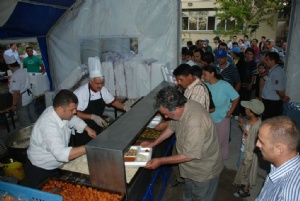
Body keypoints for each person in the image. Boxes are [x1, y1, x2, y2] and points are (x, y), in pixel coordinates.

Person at [142, 86, 223, 201]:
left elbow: (189, 155)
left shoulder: (195, 122)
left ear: (177, 108)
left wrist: (160, 161)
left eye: (166, 114)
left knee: (201, 197)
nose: (165, 117)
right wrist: (154, 143)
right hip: (189, 168)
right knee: (188, 193)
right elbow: (171, 127)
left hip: (203, 170)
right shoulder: (185, 105)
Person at [26, 89, 96, 188]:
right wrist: (89, 148)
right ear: (60, 109)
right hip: (40, 169)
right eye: (72, 110)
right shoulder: (48, 126)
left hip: (56, 166)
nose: (75, 112)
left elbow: (73, 119)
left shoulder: (57, 112)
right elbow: (60, 154)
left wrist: (87, 129)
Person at [74, 56, 130, 146]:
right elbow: (75, 113)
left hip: (97, 128)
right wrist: (92, 116)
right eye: (97, 84)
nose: (100, 86)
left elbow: (113, 102)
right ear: (90, 81)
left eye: (102, 83)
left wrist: (125, 107)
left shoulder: (102, 90)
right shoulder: (81, 93)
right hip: (83, 130)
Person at [256, 116, 300, 201]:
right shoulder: (278, 165)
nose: (257, 144)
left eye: (262, 142)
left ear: (279, 149)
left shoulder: (288, 194)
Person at [202, 65, 239, 160]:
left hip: (222, 117)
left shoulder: (224, 85)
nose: (203, 77)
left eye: (205, 74)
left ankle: (220, 160)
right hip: (209, 117)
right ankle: (211, 158)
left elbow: (235, 97)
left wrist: (230, 111)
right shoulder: (205, 86)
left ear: (212, 73)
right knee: (210, 140)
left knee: (221, 141)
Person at [233, 99, 264, 198]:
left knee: (245, 173)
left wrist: (247, 158)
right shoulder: (251, 121)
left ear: (251, 112)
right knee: (244, 170)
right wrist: (243, 126)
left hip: (248, 153)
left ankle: (245, 191)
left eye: (247, 107)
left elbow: (252, 144)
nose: (245, 108)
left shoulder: (256, 127)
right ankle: (245, 186)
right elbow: (248, 136)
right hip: (244, 149)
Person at [7, 57, 38, 128]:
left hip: (22, 99)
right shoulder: (24, 70)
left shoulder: (15, 75)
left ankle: (28, 135)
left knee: (24, 121)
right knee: (33, 116)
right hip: (29, 96)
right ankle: (38, 131)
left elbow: (16, 93)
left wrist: (14, 104)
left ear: (9, 66)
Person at [262, 52, 289, 120]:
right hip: (268, 101)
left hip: (272, 103)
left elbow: (279, 90)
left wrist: (284, 97)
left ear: (273, 60)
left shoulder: (278, 72)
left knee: (269, 122)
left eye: (267, 60)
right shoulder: (272, 70)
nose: (264, 61)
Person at [239, 48, 258, 116]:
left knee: (246, 99)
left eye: (251, 54)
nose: (249, 55)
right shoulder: (241, 61)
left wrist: (250, 84)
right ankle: (240, 112)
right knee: (239, 98)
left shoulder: (253, 63)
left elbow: (254, 75)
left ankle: (244, 113)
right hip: (240, 84)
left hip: (248, 85)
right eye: (247, 54)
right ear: (245, 54)